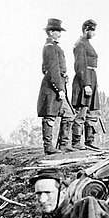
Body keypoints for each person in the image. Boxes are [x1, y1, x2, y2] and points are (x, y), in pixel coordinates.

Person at [37, 18, 75, 154]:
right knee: (50, 115)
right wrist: (59, 89)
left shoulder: (54, 47)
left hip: (58, 83)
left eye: (60, 31)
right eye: (57, 31)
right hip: (52, 87)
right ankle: (48, 147)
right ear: (50, 32)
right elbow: (52, 69)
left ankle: (64, 144)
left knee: (69, 114)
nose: (59, 34)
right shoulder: (50, 47)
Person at [71, 19, 102, 151]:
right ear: (86, 30)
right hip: (85, 80)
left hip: (92, 78)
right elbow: (80, 65)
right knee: (81, 112)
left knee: (92, 112)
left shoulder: (86, 43)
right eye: (92, 30)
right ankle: (77, 142)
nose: (94, 33)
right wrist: (86, 84)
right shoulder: (80, 44)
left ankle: (90, 141)